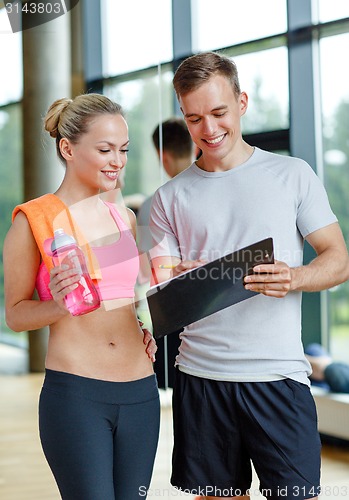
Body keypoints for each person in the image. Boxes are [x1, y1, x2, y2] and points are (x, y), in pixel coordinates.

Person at [149, 51, 349, 500]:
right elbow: (159, 291)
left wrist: (294, 278)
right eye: (195, 118)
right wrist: (176, 280)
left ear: (242, 102)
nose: (210, 129)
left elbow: (339, 259)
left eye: (219, 112)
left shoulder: (292, 175)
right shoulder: (169, 198)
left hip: (279, 377)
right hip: (201, 380)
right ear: (184, 117)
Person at [3, 93, 160, 499]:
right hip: (77, 396)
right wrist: (56, 304)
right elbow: (16, 316)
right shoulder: (33, 220)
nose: (118, 160)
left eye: (123, 150)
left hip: (141, 392)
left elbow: (126, 295)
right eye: (105, 149)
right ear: (68, 148)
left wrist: (144, 326)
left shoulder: (123, 217)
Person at [137, 117, 195, 389]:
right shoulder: (219, 191)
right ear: (194, 147)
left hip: (172, 316)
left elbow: (141, 268)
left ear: (163, 157)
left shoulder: (153, 204)